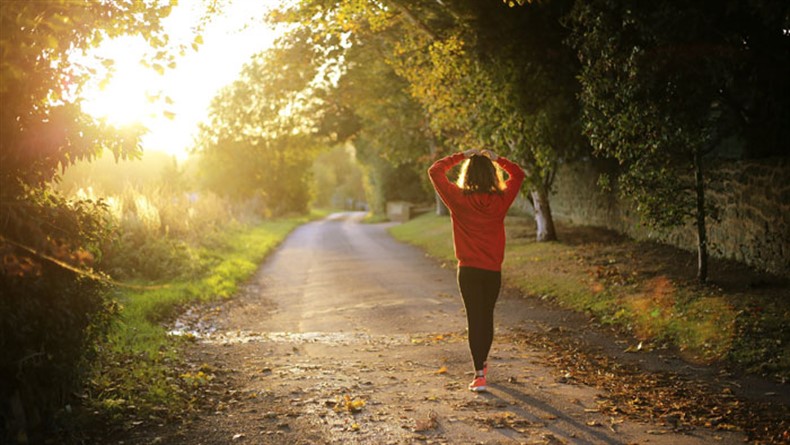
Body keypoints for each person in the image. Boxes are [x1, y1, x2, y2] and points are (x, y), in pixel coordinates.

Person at [428, 148, 525, 392]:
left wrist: (461, 155)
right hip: (492, 270)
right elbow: (519, 174)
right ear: (492, 175)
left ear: (467, 174)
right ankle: (482, 363)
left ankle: (479, 374)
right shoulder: (501, 200)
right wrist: (498, 159)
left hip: (468, 270)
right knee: (487, 316)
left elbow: (435, 171)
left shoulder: (458, 199)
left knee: (475, 319)